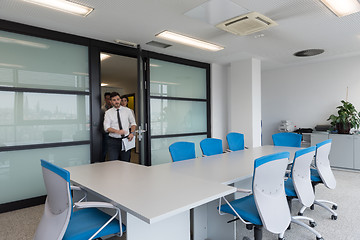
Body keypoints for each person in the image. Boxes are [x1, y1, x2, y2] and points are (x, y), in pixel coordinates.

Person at [104, 92, 136, 162]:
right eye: (114, 100)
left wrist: (132, 133)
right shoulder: (108, 113)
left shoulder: (128, 111)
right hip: (113, 141)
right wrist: (117, 131)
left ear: (120, 100)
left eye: (118, 99)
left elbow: (133, 123)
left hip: (126, 140)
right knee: (113, 163)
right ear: (111, 101)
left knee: (126, 162)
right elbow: (106, 127)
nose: (116, 101)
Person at [101, 92, 112, 162]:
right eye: (107, 99)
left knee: (112, 150)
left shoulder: (115, 108)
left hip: (114, 132)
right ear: (105, 99)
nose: (109, 101)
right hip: (106, 132)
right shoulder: (102, 108)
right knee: (104, 150)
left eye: (110, 99)